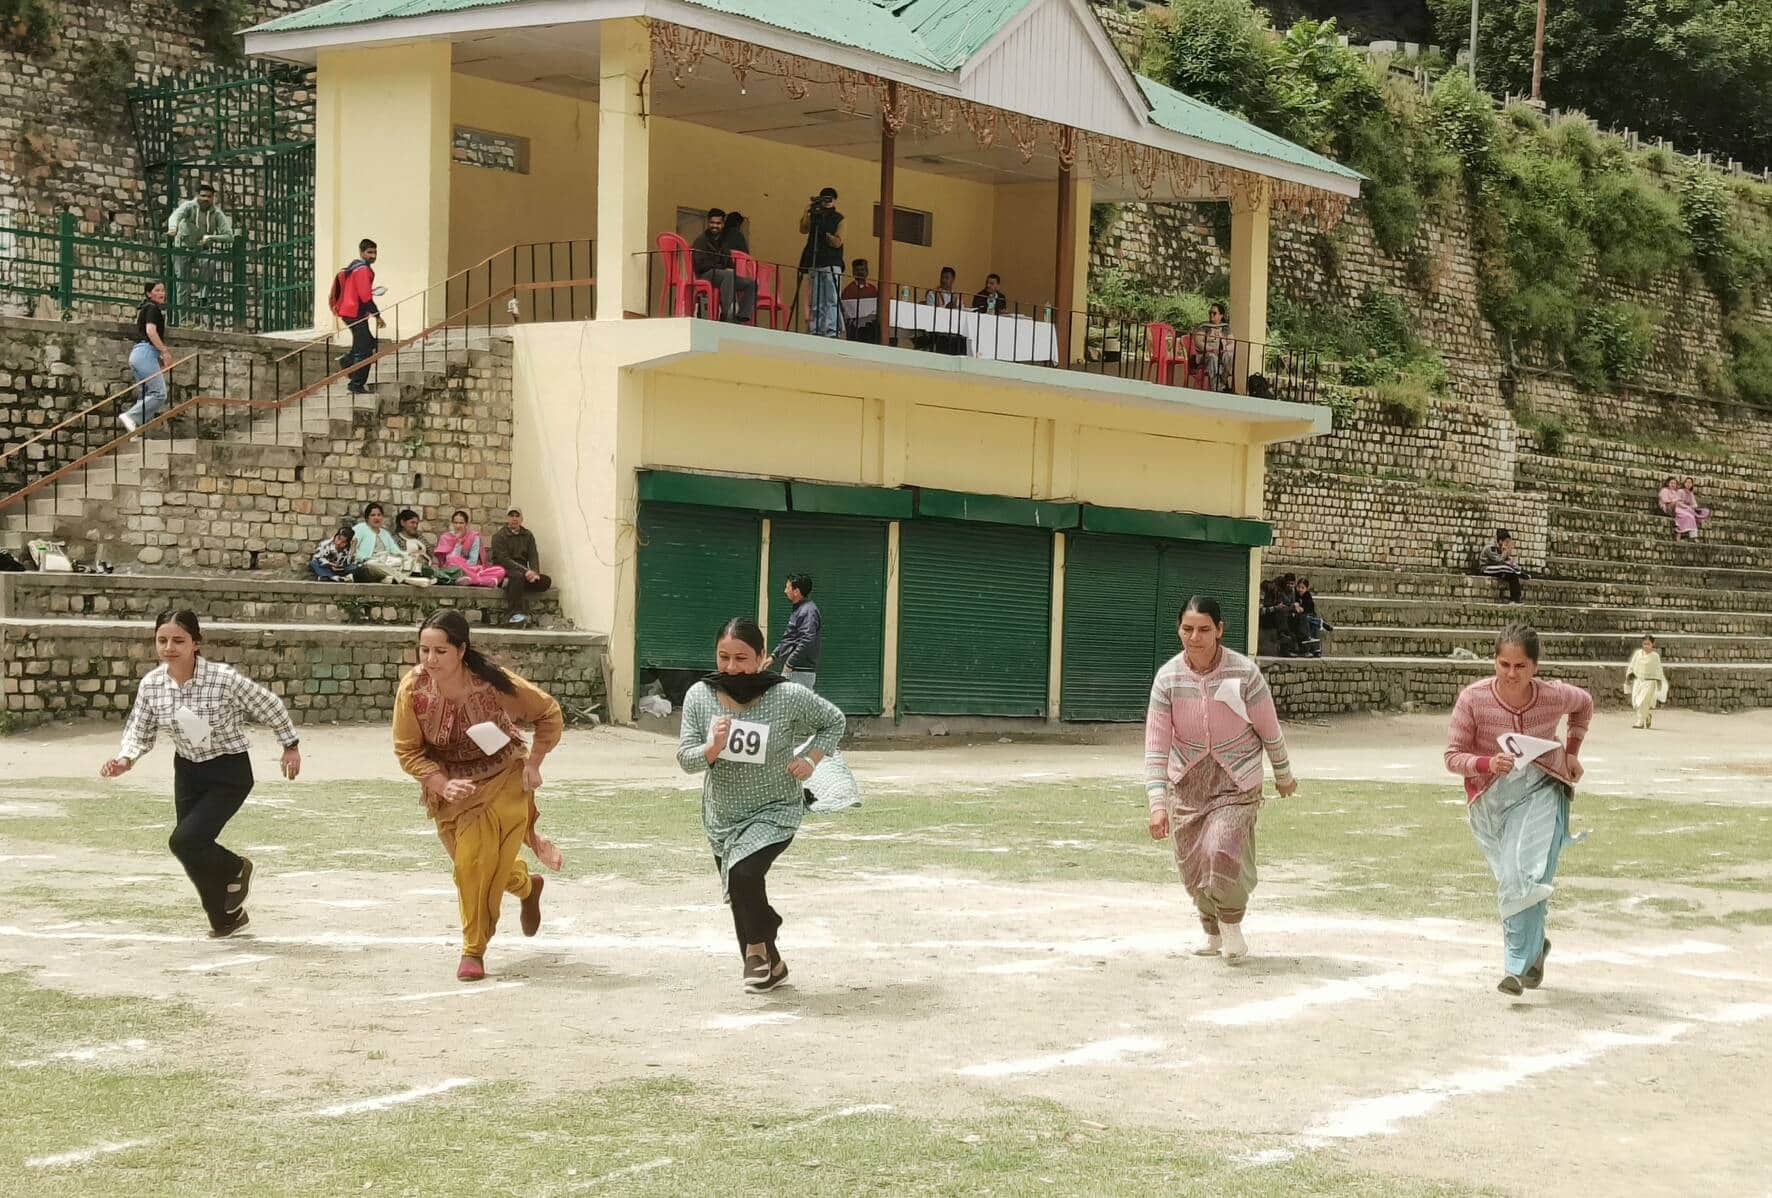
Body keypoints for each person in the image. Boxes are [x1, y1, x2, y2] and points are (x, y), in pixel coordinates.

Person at [99, 610, 301, 938]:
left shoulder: (223, 678)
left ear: (196, 643)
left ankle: (237, 867)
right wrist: (125, 759)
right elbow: (139, 727)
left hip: (229, 771)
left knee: (185, 840)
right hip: (188, 771)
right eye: (162, 640)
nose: (169, 647)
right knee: (191, 849)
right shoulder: (152, 685)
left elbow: (269, 705)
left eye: (178, 640)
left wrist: (289, 745)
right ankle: (224, 919)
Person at [393, 610, 564, 982]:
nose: (429, 660)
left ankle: (473, 950)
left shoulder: (492, 683)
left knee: (471, 865)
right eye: (423, 650)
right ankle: (526, 885)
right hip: (453, 789)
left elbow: (548, 712)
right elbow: (407, 750)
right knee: (482, 865)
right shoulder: (413, 689)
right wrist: (440, 784)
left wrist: (534, 762)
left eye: (440, 651)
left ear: (462, 650)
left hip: (504, 778)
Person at [677, 617, 846, 991]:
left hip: (775, 808)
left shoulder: (786, 695)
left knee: (744, 876)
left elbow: (834, 721)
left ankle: (755, 951)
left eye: (742, 658)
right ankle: (774, 963)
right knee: (742, 890)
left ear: (762, 658)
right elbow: (686, 759)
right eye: (724, 657)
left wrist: (812, 759)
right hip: (722, 814)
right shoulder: (699, 696)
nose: (732, 667)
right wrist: (711, 748)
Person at [1144, 595, 1297, 961]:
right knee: (1192, 861)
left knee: (1221, 852)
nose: (1195, 637)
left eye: (1204, 629)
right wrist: (1157, 804)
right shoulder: (1167, 679)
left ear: (1220, 630)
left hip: (1236, 782)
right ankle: (1210, 931)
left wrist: (1283, 774)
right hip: (1188, 783)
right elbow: (1156, 745)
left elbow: (1269, 729)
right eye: (1187, 629)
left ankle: (1230, 926)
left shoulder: (1244, 674)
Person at [1445, 624, 1590, 996]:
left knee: (1523, 871)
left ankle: (1514, 967)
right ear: (1494, 662)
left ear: (1535, 667)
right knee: (1513, 877)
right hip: (1490, 801)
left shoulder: (1553, 695)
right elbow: (1452, 757)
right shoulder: (1473, 699)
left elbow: (1583, 704)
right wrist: (1486, 764)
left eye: (1520, 666)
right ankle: (1535, 947)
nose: (1511, 674)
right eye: (1504, 664)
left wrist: (1572, 751)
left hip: (1541, 789)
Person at [166, 183, 235, 308]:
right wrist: (173, 228)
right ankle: (183, 318)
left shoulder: (217, 214)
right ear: (197, 195)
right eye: (203, 196)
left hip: (201, 248)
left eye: (209, 196)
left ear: (213, 198)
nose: (205, 199)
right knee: (182, 283)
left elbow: (229, 236)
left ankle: (203, 297)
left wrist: (211, 237)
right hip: (182, 248)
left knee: (210, 263)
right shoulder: (189, 207)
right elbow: (176, 216)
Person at [332, 239, 384, 395]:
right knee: (366, 349)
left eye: (375, 252)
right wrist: (378, 316)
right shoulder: (362, 270)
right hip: (356, 313)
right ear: (361, 253)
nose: (372, 256)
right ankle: (356, 384)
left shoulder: (353, 268)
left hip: (348, 312)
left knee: (365, 343)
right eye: (369, 252)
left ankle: (347, 361)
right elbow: (365, 297)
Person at [120, 280, 172, 433]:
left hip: (139, 354)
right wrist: (164, 351)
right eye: (157, 290)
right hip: (145, 353)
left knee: (146, 395)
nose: (161, 293)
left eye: (163, 290)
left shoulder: (146, 308)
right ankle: (130, 417)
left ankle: (136, 430)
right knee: (159, 393)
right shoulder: (152, 308)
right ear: (149, 294)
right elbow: (150, 331)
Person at [691, 207, 756, 324]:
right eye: (712, 222)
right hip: (706, 275)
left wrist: (730, 269)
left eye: (718, 223)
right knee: (728, 275)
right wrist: (723, 268)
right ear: (708, 222)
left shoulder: (723, 242)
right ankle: (728, 314)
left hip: (723, 276)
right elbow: (700, 264)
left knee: (750, 283)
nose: (715, 226)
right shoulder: (701, 241)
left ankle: (742, 315)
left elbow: (729, 263)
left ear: (723, 224)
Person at [490, 507, 552, 625]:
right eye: (511, 516)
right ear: (507, 518)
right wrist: (525, 572)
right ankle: (514, 613)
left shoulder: (527, 535)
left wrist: (534, 573)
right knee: (517, 577)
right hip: (505, 570)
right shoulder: (499, 536)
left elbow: (533, 555)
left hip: (523, 573)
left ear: (521, 518)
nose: (514, 519)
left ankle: (511, 585)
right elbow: (504, 559)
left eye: (517, 516)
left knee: (545, 581)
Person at [798, 186, 845, 337]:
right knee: (816, 299)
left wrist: (826, 233)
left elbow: (838, 242)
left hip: (831, 262)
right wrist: (807, 212)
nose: (826, 202)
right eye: (824, 199)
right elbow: (803, 229)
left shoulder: (839, 218)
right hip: (815, 261)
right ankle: (815, 329)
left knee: (831, 299)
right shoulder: (815, 215)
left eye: (829, 199)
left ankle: (831, 330)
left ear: (834, 201)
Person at [769, 573, 821, 692]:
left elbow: (807, 640)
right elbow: (790, 638)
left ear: (796, 591)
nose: (785, 591)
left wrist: (790, 664)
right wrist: (773, 656)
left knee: (798, 707)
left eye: (787, 587)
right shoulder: (800, 609)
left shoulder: (808, 611)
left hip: (799, 671)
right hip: (796, 670)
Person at [434, 509, 507, 589]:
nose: (458, 526)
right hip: (452, 571)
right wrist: (458, 544)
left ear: (466, 524)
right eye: (455, 523)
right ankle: (483, 581)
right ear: (452, 524)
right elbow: (447, 562)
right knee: (451, 559)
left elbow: (473, 561)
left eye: (461, 523)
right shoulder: (446, 537)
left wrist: (465, 569)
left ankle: (471, 580)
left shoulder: (473, 537)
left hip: (472, 569)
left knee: (500, 570)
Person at [352, 502, 419, 585]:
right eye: (373, 515)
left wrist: (408, 556)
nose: (376, 518)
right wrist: (364, 558)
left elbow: (395, 550)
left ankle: (386, 579)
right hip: (366, 564)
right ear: (367, 518)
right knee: (372, 564)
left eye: (379, 515)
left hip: (385, 562)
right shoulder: (360, 529)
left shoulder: (385, 533)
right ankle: (403, 579)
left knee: (408, 560)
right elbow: (352, 550)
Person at [396, 509, 452, 585]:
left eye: (416, 523)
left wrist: (435, 563)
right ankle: (441, 578)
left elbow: (431, 553)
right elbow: (398, 558)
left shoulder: (420, 537)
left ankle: (440, 576)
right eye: (412, 523)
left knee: (455, 569)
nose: (415, 526)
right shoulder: (396, 539)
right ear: (402, 523)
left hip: (430, 567)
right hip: (414, 569)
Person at [1626, 634, 1668, 730]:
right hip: (1638, 681)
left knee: (1643, 701)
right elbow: (1632, 666)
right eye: (1644, 644)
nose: (1646, 646)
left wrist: (1659, 683)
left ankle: (1640, 721)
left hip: (1649, 682)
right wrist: (1629, 676)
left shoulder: (1655, 657)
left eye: (1648, 644)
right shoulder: (1638, 654)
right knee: (1636, 702)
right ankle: (1647, 716)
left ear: (1652, 644)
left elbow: (1658, 671)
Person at [1479, 529, 1528, 604]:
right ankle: (1519, 573)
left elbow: (1505, 560)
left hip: (1497, 568)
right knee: (1506, 568)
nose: (1507, 543)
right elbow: (1498, 560)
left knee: (1513, 575)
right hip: (1486, 568)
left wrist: (1512, 562)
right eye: (1506, 541)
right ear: (1501, 541)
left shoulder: (1500, 547)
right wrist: (1505, 552)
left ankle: (1515, 599)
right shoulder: (1490, 547)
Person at [842, 258, 880, 342]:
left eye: (862, 269)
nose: (860, 272)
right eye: (857, 270)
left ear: (867, 271)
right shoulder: (848, 290)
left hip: (871, 326)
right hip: (855, 328)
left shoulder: (873, 289)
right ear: (853, 272)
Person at [1295, 576, 1332, 652]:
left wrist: (1302, 609)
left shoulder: (1308, 596)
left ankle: (1316, 649)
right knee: (1307, 620)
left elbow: (1308, 608)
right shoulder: (1295, 595)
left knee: (1311, 622)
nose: (1300, 590)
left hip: (1310, 615)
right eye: (1298, 587)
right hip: (1301, 617)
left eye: (1303, 588)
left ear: (1307, 588)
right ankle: (1320, 622)